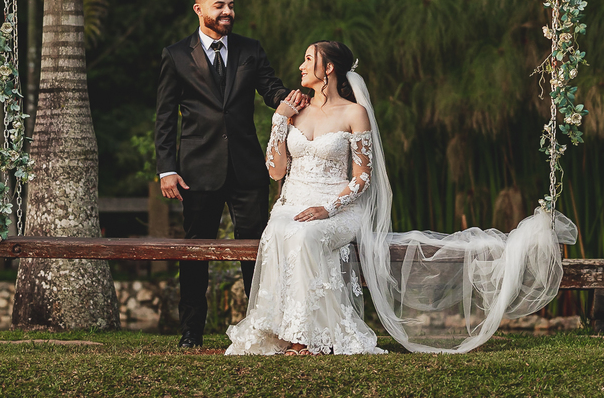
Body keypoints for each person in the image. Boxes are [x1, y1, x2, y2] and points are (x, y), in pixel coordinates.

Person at [225, 40, 577, 356]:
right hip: (291, 204)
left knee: (305, 236)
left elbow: (363, 178)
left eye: (308, 59)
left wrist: (327, 208)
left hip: (339, 207)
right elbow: (275, 171)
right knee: (281, 232)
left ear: (328, 68)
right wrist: (279, 120)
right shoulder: (294, 109)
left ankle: (306, 338)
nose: (300, 67)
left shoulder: (354, 113)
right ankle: (282, 332)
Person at [155, 0, 308, 349]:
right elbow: (164, 117)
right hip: (196, 170)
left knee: (256, 249)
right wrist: (166, 168)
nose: (227, 12)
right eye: (220, 6)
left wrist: (291, 98)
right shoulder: (176, 55)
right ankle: (191, 331)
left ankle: (263, 325)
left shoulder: (249, 50)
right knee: (195, 252)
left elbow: (271, 89)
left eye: (231, 6)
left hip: (246, 168)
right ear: (199, 10)